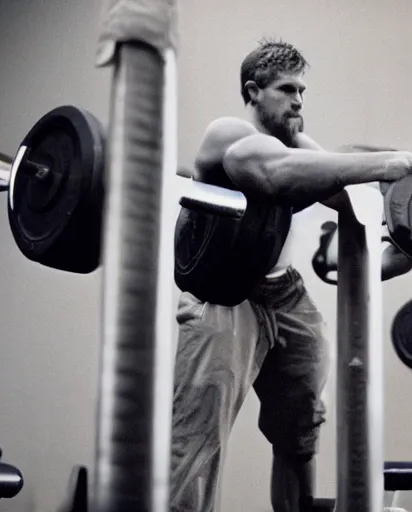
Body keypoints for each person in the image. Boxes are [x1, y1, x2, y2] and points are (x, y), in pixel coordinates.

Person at [170, 39, 412, 512]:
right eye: (286, 89)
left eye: (302, 90)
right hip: (224, 299)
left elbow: (356, 203)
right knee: (196, 443)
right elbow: (269, 174)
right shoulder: (229, 134)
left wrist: (402, 230)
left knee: (301, 430)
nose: (299, 99)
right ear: (254, 91)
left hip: (285, 295)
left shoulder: (300, 146)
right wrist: (394, 161)